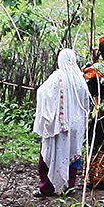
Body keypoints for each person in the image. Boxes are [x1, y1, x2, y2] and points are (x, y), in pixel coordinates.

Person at [33, 48, 91, 197]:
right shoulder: (80, 79)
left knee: (50, 154)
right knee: (72, 154)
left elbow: (42, 92)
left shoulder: (57, 77)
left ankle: (47, 188)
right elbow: (86, 104)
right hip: (76, 126)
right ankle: (68, 187)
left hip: (60, 126)